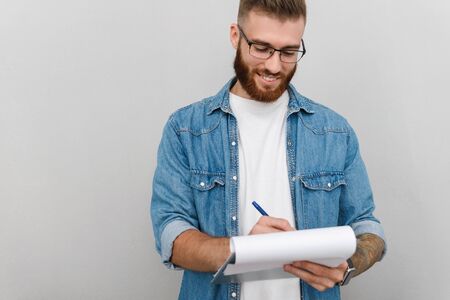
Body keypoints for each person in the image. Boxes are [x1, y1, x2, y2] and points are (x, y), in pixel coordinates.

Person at [151, 0, 386, 299]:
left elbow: (367, 228)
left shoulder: (335, 131)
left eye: (289, 52)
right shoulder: (185, 129)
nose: (274, 66)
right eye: (261, 48)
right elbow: (171, 236)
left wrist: (348, 266)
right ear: (236, 36)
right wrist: (246, 250)